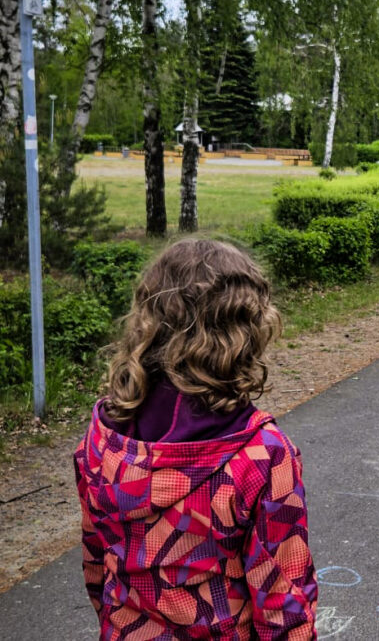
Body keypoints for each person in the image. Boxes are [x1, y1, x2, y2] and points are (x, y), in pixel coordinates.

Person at [74, 239, 317, 639]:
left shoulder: (103, 437)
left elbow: (96, 565)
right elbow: (283, 604)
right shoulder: (261, 457)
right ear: (246, 333)